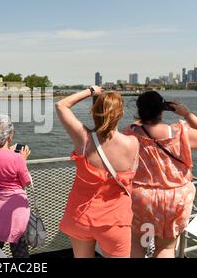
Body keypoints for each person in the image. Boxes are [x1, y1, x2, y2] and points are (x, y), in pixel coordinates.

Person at [124, 91, 197, 258]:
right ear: (162, 110)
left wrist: (142, 119)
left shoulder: (130, 133)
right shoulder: (180, 132)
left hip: (143, 197)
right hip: (175, 198)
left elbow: (135, 129)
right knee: (165, 248)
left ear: (139, 110)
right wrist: (186, 113)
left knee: (138, 243)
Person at [56, 87, 140, 258]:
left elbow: (61, 105)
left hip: (80, 218)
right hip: (115, 222)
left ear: (94, 112)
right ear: (121, 113)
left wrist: (91, 91)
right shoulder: (132, 143)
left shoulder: (84, 139)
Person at [0, 115, 31, 258]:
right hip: (15, 211)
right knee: (19, 251)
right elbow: (25, 181)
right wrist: (23, 159)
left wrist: (9, 150)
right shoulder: (17, 158)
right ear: (10, 135)